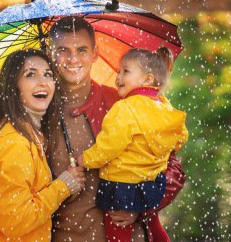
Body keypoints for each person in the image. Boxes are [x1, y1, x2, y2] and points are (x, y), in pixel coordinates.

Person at [44, 17, 186, 241]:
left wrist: (139, 205)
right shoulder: (39, 111)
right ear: (50, 53)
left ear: (95, 53)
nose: (73, 59)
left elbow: (173, 170)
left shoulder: (125, 103)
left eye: (81, 49)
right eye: (63, 50)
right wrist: (60, 187)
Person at [0, 49, 86, 241]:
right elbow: (16, 221)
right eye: (30, 74)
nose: (42, 81)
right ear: (14, 86)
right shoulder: (14, 144)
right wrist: (63, 186)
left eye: (48, 74)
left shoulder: (18, 132)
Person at [76, 47, 188, 242]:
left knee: (117, 230)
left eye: (125, 71)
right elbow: (180, 138)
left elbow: (109, 146)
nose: (118, 77)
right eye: (119, 71)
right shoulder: (164, 106)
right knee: (154, 225)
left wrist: (86, 160)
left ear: (147, 79)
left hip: (122, 184)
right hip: (152, 181)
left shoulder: (125, 108)